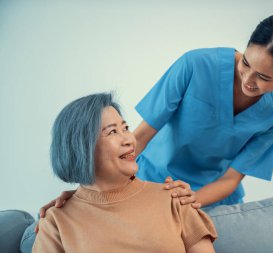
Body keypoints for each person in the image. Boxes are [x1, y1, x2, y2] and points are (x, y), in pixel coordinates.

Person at [39, 13, 273, 214]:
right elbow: (140, 137)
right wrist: (85, 193)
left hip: (212, 196)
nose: (249, 79)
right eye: (246, 63)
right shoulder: (196, 64)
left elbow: (231, 178)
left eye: (263, 77)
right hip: (151, 179)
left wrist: (189, 200)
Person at [32, 93, 217, 253]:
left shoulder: (175, 198)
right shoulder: (56, 222)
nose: (129, 139)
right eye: (112, 131)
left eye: (125, 128)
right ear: (81, 148)